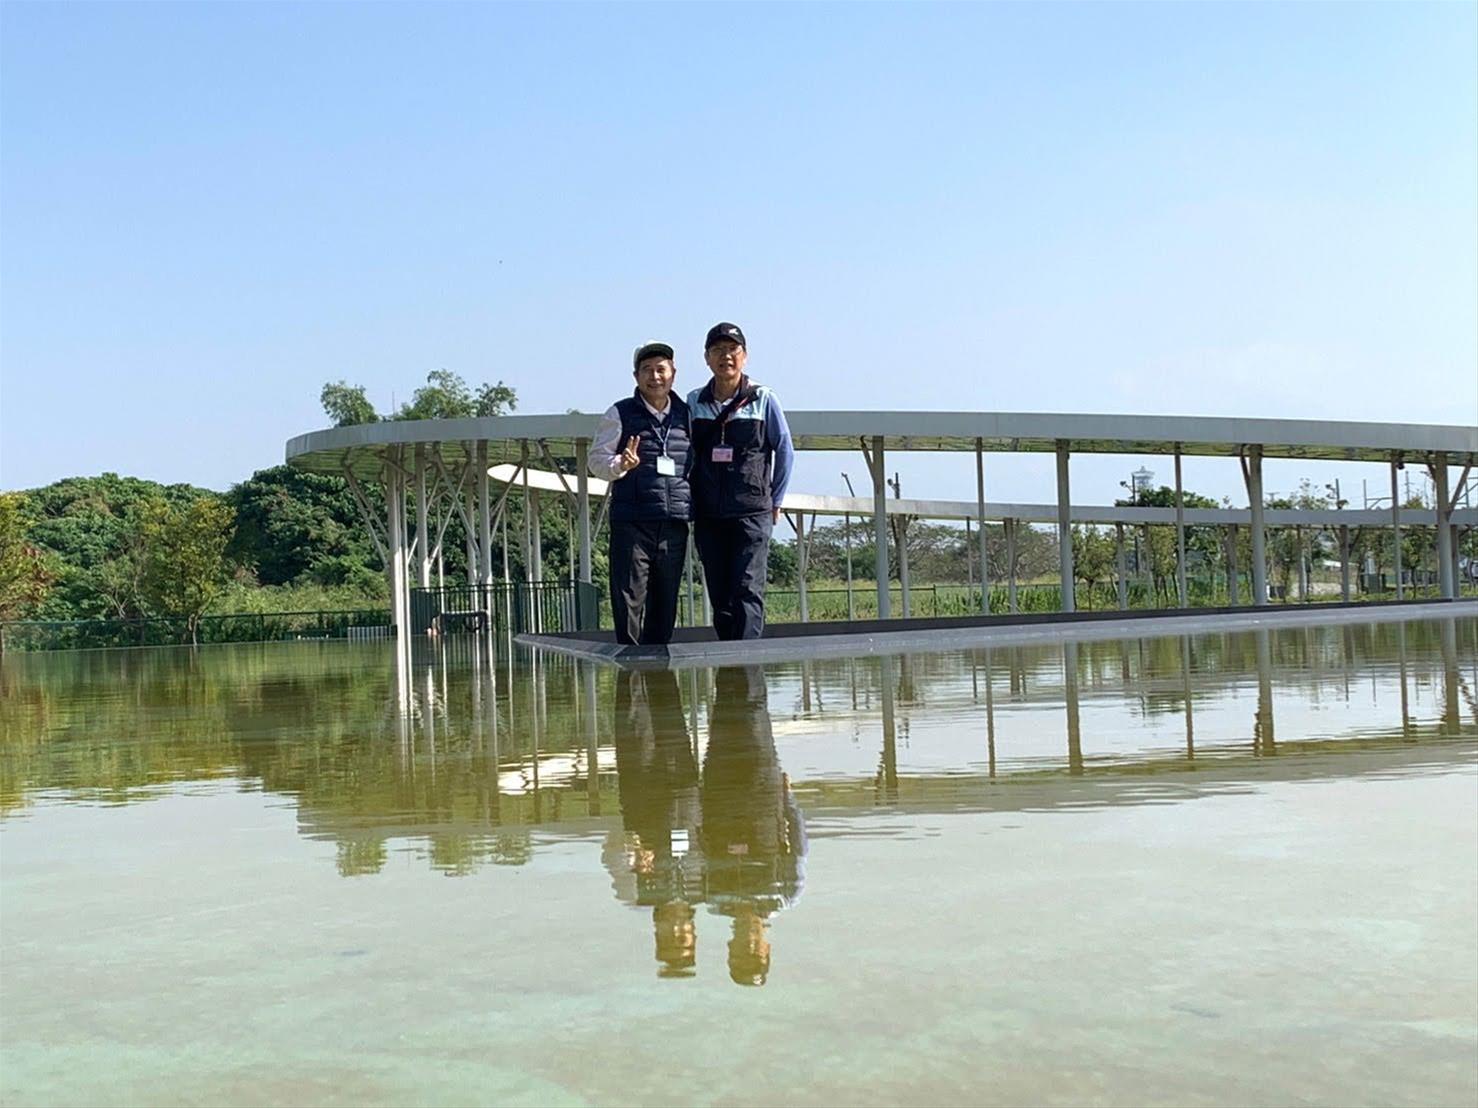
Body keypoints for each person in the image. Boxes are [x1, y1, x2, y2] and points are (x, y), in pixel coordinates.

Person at [686, 322, 794, 641]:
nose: (726, 356)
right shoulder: (693, 402)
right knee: (720, 598)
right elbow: (684, 454)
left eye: (732, 350)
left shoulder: (763, 398)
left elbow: (785, 449)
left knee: (747, 590)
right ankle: (728, 667)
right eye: (718, 350)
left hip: (751, 512)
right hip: (709, 515)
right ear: (706, 358)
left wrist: (776, 499)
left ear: (744, 356)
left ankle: (749, 668)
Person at [589, 340, 693, 646]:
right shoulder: (619, 413)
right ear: (636, 376)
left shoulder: (688, 414)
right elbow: (596, 461)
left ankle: (659, 672)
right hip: (632, 523)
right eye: (647, 370)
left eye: (661, 369)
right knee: (629, 603)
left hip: (674, 523)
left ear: (673, 374)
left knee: (665, 607)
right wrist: (621, 464)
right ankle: (630, 671)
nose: (655, 376)